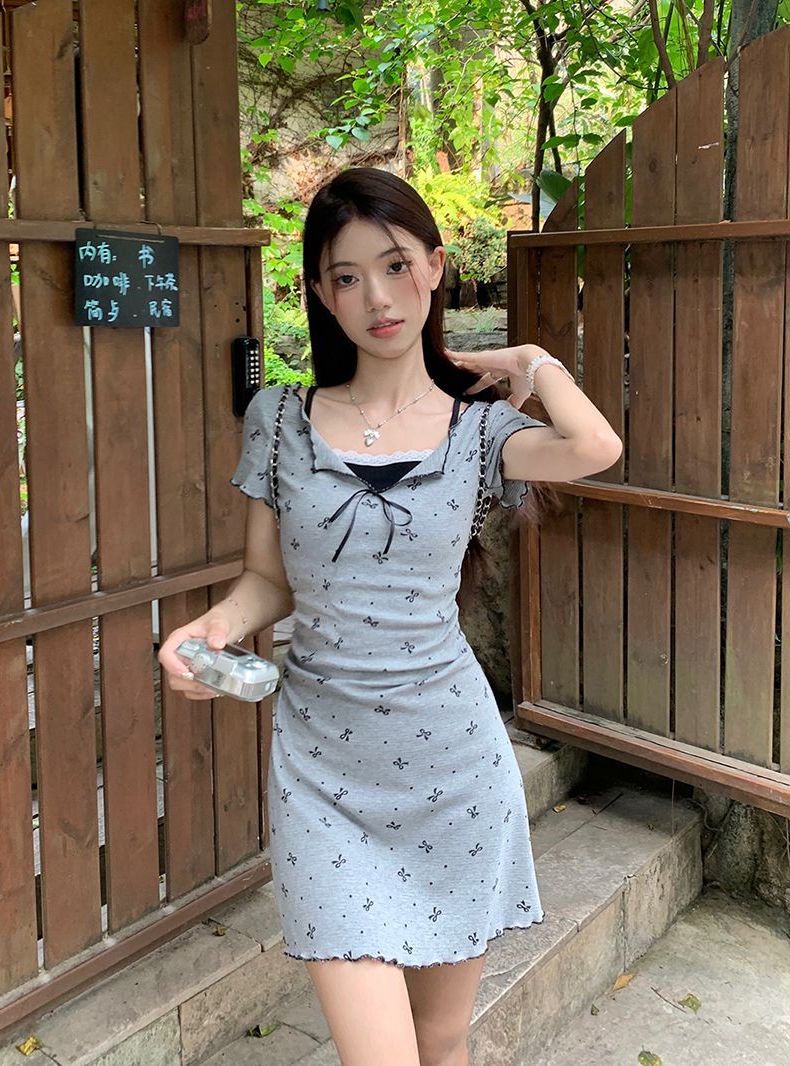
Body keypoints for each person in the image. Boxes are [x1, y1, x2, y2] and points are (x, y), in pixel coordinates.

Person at [158, 167, 622, 1066]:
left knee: (440, 1043)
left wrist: (529, 361)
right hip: (322, 775)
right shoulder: (280, 419)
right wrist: (214, 626)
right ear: (319, 293)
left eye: (396, 265)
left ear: (436, 268)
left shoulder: (480, 432)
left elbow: (594, 446)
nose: (376, 297)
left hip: (455, 769)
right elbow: (267, 581)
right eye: (346, 276)